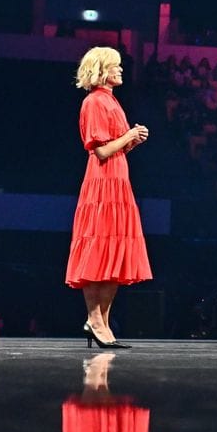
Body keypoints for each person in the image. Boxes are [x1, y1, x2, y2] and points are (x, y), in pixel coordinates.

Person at [65, 47, 152, 348]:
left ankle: (101, 318)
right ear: (102, 70)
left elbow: (114, 147)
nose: (121, 70)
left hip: (118, 181)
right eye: (115, 66)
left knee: (115, 249)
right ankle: (94, 318)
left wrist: (131, 140)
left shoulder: (111, 102)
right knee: (97, 247)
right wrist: (128, 137)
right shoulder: (94, 102)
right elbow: (100, 150)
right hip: (102, 184)